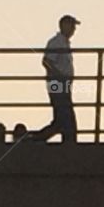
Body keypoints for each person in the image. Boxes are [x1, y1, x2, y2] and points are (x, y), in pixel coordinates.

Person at [32, 14, 80, 143]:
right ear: (64, 26)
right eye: (72, 26)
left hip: (61, 83)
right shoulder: (56, 42)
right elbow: (46, 61)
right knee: (66, 116)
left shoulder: (62, 43)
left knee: (61, 118)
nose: (74, 29)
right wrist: (58, 76)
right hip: (58, 82)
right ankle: (37, 139)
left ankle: (36, 139)